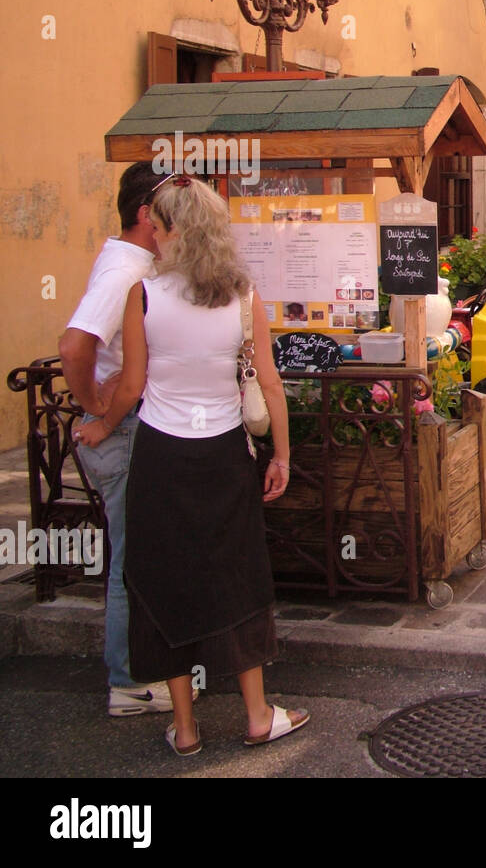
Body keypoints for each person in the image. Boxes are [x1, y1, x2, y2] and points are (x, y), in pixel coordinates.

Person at [75, 175, 307, 755]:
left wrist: (101, 425)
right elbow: (271, 384)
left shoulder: (144, 296)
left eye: (157, 221)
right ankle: (257, 715)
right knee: (238, 577)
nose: (149, 228)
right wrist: (280, 454)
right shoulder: (243, 294)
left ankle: (185, 728)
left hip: (161, 454)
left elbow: (131, 385)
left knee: (163, 580)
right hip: (225, 451)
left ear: (175, 230)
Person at [59, 161, 189, 718]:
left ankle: (136, 674)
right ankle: (129, 681)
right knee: (132, 561)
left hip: (126, 426)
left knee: (135, 555)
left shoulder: (129, 260)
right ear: (146, 215)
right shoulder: (128, 269)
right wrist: (98, 409)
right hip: (126, 430)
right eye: (171, 210)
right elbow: (73, 346)